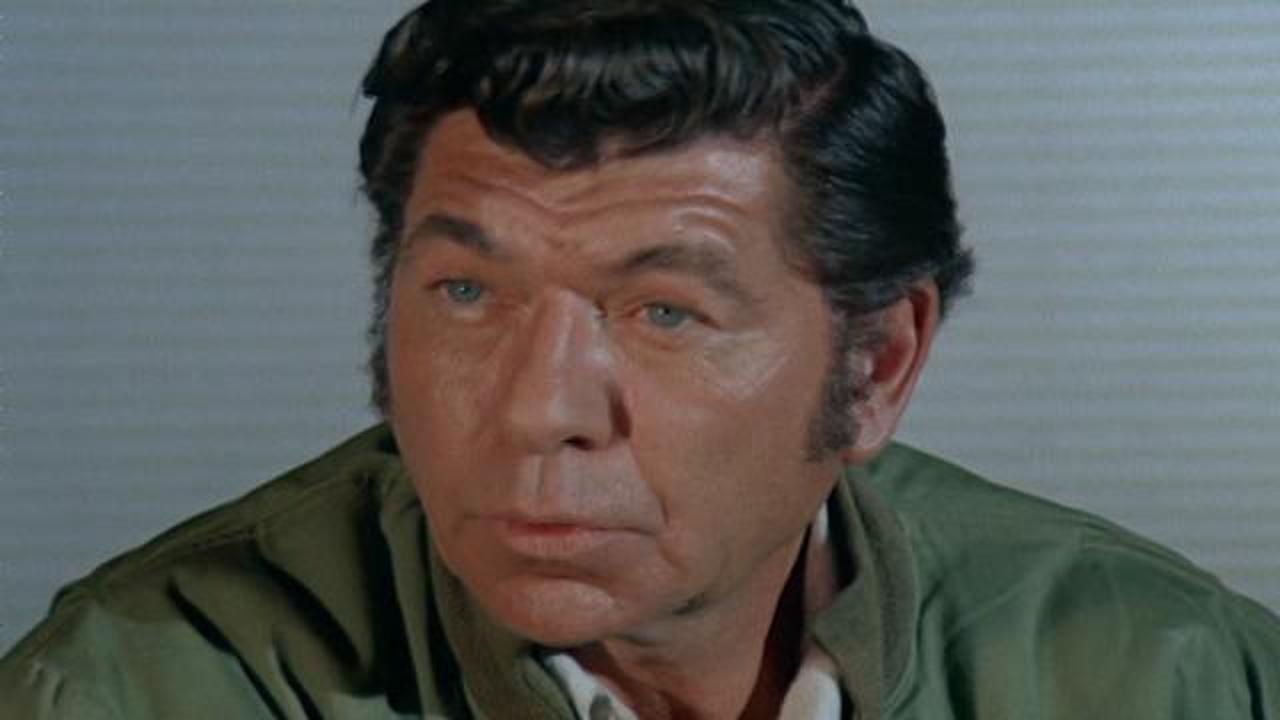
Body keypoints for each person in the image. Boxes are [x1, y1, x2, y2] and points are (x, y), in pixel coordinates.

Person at [2, 0, 1278, 717]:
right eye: (465, 292)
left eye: (664, 311)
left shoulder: (1165, 678)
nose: (537, 409)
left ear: (876, 367)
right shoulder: (144, 687)